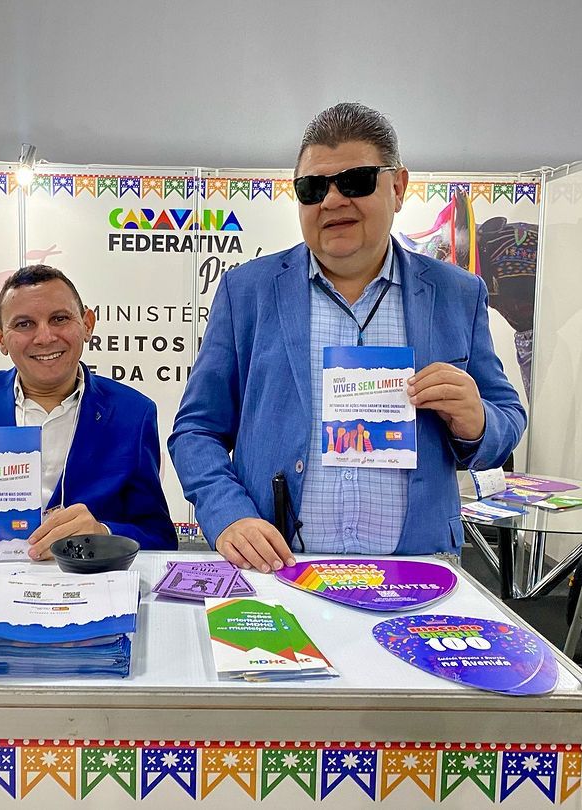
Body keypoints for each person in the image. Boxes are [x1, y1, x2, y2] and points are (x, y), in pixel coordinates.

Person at [169, 103, 525, 573]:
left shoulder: (457, 294)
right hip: (280, 570)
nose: (332, 201)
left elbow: (506, 421)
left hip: (417, 573)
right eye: (312, 188)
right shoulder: (247, 292)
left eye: (355, 181)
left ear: (397, 187)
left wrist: (477, 420)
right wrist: (227, 515)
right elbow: (196, 431)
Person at [0, 264, 176, 557]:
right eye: (23, 324)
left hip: (86, 585)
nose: (44, 337)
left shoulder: (132, 413)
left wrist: (102, 534)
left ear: (88, 325)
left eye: (59, 319)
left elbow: (158, 535)